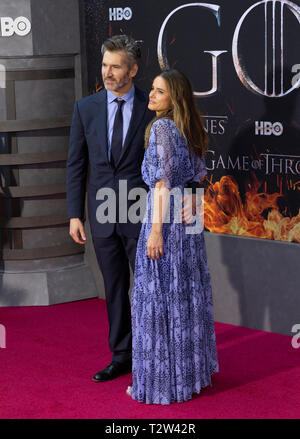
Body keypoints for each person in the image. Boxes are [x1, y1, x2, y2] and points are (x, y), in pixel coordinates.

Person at [66, 35, 200, 383]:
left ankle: (152, 354)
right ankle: (122, 355)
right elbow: (76, 164)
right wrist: (74, 214)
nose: (107, 72)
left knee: (149, 289)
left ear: (133, 69)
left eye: (115, 66)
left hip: (142, 214)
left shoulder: (153, 105)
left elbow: (172, 166)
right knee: (114, 287)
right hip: (102, 213)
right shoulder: (85, 108)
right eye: (104, 65)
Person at [126, 69, 219, 404]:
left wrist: (154, 233)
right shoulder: (190, 128)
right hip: (188, 224)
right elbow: (197, 177)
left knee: (159, 295)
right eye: (151, 89)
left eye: (159, 91)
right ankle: (188, 376)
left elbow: (163, 184)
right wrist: (194, 199)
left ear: (173, 98)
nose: (151, 95)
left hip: (165, 220)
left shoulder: (163, 128)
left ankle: (162, 383)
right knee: (184, 295)